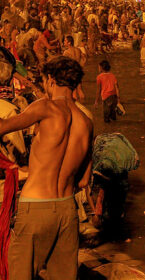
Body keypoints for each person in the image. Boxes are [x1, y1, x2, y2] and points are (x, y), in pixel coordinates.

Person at [1, 56, 93, 280]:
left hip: (36, 208)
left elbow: (3, 127)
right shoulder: (87, 121)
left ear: (51, 80)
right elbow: (83, 181)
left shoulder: (45, 107)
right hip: (67, 211)